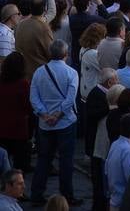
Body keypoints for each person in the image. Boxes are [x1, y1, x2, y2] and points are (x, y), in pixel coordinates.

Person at [29, 39, 80, 207]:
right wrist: (58, 114)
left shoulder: (39, 72)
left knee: (43, 159)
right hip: (65, 121)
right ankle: (67, 195)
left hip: (45, 123)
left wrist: (44, 115)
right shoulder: (71, 73)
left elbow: (34, 97)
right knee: (66, 160)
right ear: (66, 54)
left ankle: (36, 193)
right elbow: (70, 98)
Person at [0, 52, 31, 172]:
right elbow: (27, 106)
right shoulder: (23, 84)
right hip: (18, 129)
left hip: (2, 128)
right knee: (20, 166)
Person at [104, 112, 130, 211]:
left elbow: (106, 170)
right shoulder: (128, 151)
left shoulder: (115, 144)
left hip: (115, 199)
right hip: (124, 203)